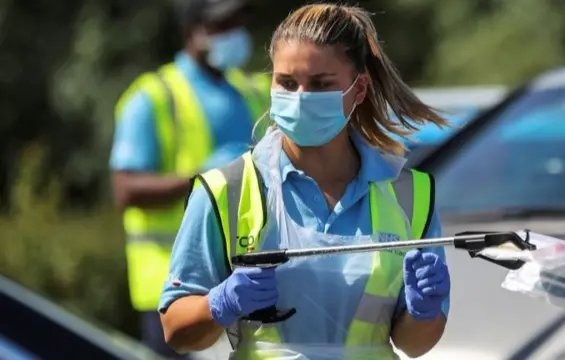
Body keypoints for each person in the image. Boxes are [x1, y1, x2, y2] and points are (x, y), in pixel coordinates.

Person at [158, 3, 451, 359]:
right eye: (286, 82)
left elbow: (414, 344)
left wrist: (425, 311)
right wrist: (220, 303)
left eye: (320, 84)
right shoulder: (225, 190)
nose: (299, 98)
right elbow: (177, 331)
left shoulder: (410, 195)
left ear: (358, 90)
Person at [109, 0, 266, 357]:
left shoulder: (253, 93)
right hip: (175, 291)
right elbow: (124, 189)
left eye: (238, 22)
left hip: (246, 285)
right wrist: (203, 181)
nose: (235, 33)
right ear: (192, 30)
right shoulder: (151, 97)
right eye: (223, 25)